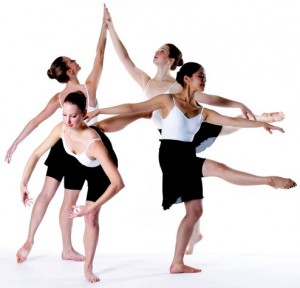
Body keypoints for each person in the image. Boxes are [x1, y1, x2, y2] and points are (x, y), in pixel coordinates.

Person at [93, 6, 285, 254]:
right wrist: (110, 28)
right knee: (147, 119)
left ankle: (256, 120)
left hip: (185, 130)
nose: (157, 52)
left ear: (171, 60)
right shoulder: (147, 82)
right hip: (172, 138)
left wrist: (240, 106)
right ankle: (194, 233)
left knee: (222, 128)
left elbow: (209, 99)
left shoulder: (178, 86)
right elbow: (124, 59)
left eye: (162, 50)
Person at [85, 62, 297, 274]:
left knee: (195, 211)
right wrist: (102, 110)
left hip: (186, 154)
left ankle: (177, 263)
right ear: (186, 79)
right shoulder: (168, 100)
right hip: (171, 155)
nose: (204, 79)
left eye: (204, 75)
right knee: (220, 169)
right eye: (200, 75)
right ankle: (269, 180)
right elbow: (133, 108)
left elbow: (233, 121)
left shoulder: (201, 111)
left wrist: (261, 123)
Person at [12, 4, 111, 263]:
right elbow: (100, 55)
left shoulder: (59, 97)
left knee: (47, 194)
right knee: (68, 199)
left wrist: (15, 144)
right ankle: (65, 248)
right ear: (70, 70)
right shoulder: (88, 86)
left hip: (70, 146)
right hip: (75, 147)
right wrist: (105, 27)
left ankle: (32, 240)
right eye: (72, 60)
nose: (76, 60)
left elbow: (36, 120)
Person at [21, 91, 125, 283]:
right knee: (67, 201)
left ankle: (88, 266)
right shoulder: (61, 128)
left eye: (74, 116)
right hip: (77, 161)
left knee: (91, 218)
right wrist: (24, 183)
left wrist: (90, 207)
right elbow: (36, 154)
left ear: (84, 113)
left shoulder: (93, 142)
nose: (68, 121)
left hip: (100, 172)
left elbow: (118, 183)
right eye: (64, 115)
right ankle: (63, 248)